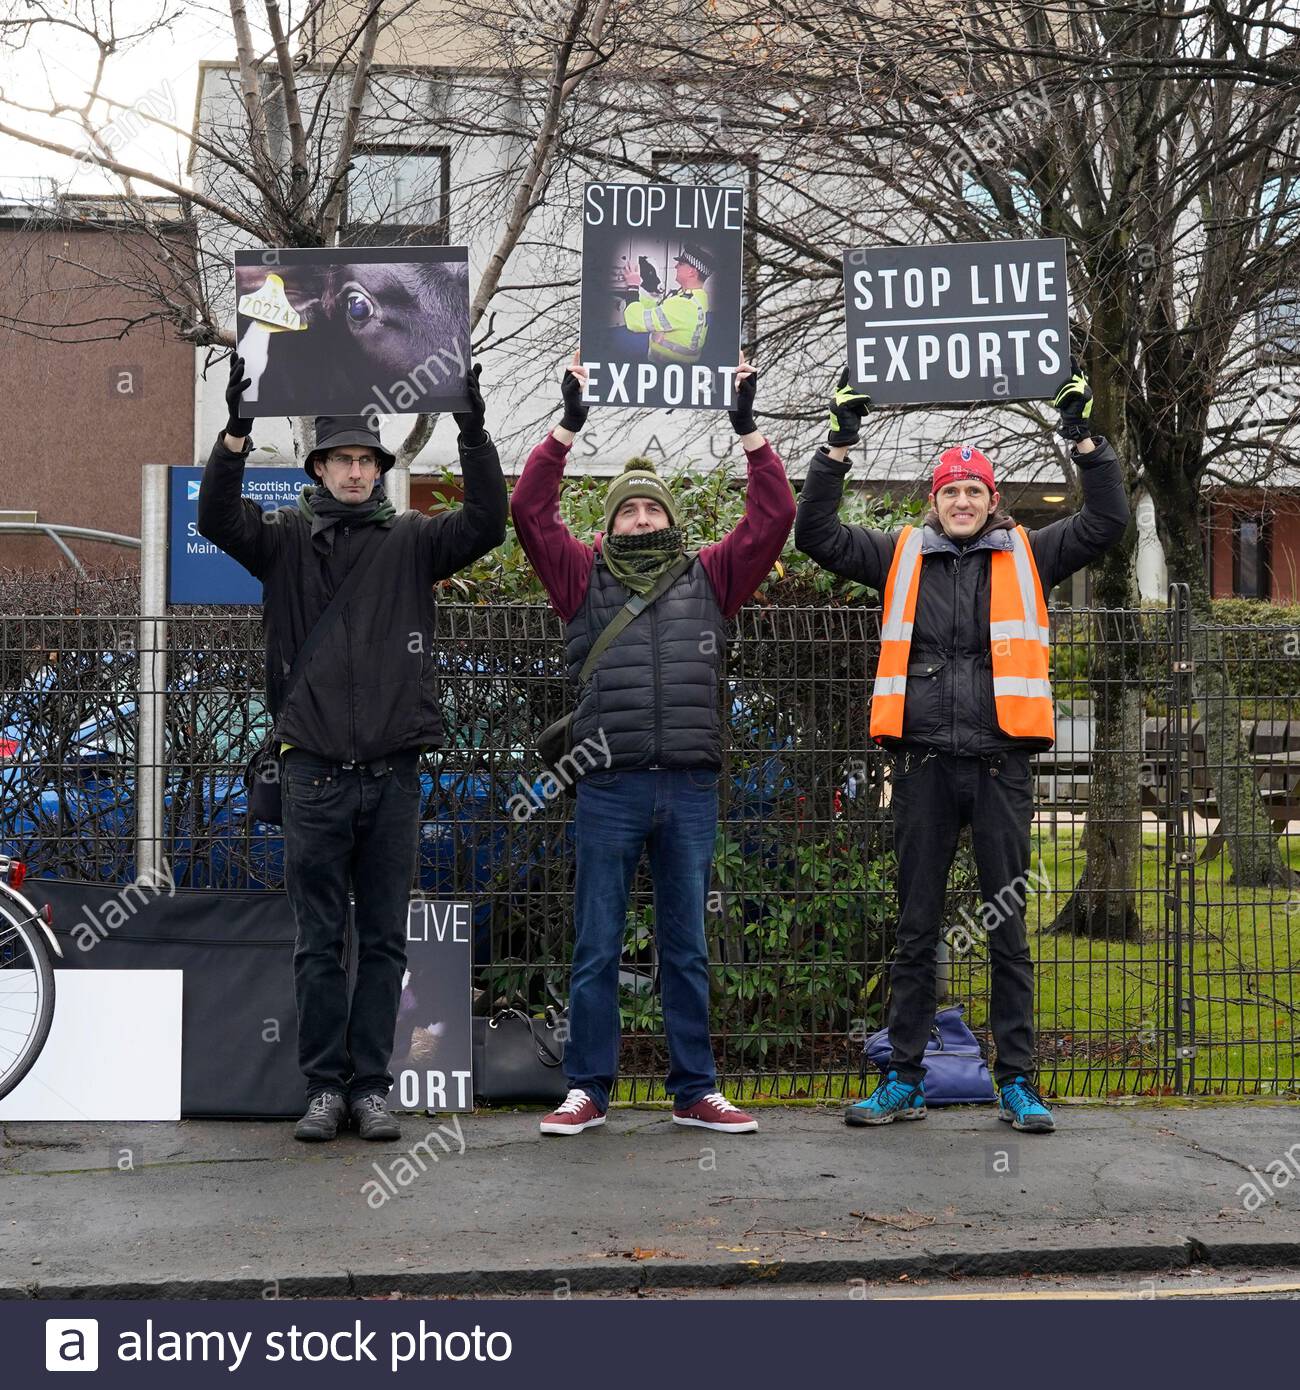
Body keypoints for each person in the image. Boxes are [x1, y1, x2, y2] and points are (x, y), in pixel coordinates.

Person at [794, 363, 1129, 1134]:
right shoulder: (900, 553)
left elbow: (1107, 521)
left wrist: (1085, 439)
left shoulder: (1031, 554)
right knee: (914, 928)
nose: (963, 501)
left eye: (975, 490)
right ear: (935, 500)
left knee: (1006, 928)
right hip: (920, 768)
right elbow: (815, 533)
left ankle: (1016, 1081)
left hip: (1000, 764)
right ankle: (903, 1079)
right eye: (950, 490)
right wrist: (838, 445)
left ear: (992, 500)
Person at [198, 354, 506, 1142]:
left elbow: (487, 524)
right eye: (343, 459)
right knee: (316, 943)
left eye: (367, 460)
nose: (356, 471)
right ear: (320, 467)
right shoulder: (284, 542)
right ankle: (322, 1089)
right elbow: (216, 521)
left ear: (380, 468)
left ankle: (371, 1086)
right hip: (313, 773)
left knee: (382, 940)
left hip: (393, 772)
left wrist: (471, 427)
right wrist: (235, 432)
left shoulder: (411, 541)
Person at [510, 352, 795, 1135]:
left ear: (672, 521)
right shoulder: (580, 577)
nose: (642, 521)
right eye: (628, 513)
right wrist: (567, 426)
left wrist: (750, 433)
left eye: (653, 512)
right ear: (610, 526)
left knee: (687, 949)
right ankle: (587, 1091)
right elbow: (530, 512)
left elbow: (772, 519)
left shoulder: (712, 577)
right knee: (597, 946)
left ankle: (695, 1089)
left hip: (691, 790)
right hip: (608, 788)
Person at [620, 242, 712, 367]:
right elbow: (658, 312)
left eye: (680, 264)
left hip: (665, 367)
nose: (675, 266)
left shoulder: (683, 305)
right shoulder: (698, 297)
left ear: (691, 272)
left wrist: (632, 287)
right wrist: (643, 295)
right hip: (680, 367)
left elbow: (636, 321)